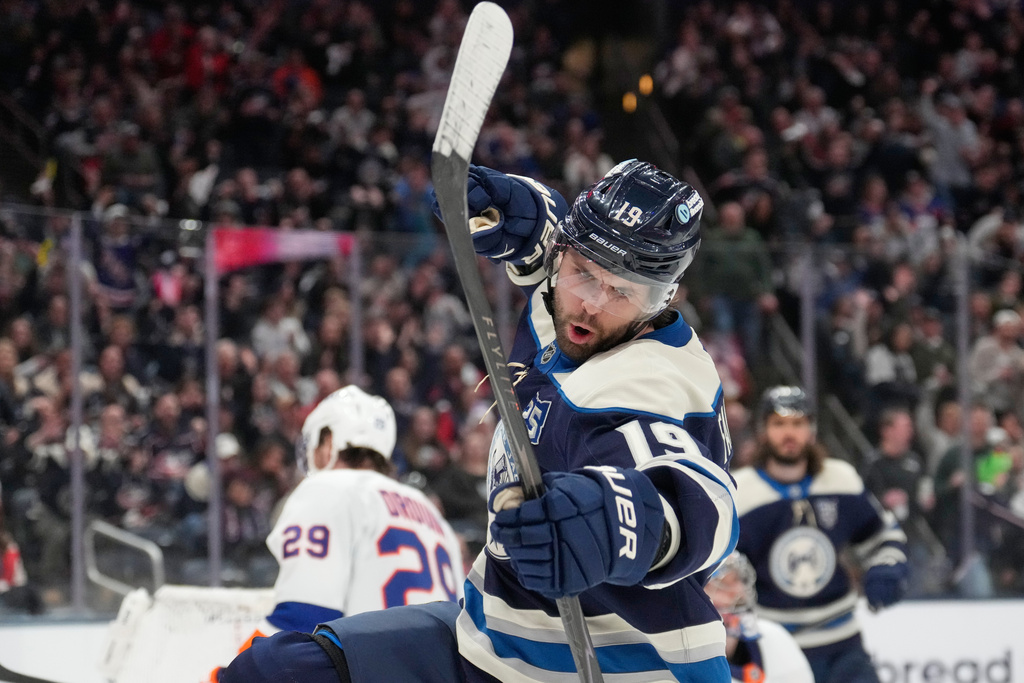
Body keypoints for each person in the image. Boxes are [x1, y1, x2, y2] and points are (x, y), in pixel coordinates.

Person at [220, 160, 738, 682]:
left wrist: (622, 520)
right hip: (492, 637)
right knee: (276, 673)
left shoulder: (655, 383)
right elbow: (553, 245)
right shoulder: (567, 304)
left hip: (621, 669)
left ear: (662, 299)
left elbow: (707, 505)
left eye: (622, 292)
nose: (589, 306)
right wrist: (527, 215)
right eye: (582, 273)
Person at [215, 385, 464, 680]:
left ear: (329, 441)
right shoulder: (431, 513)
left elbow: (301, 618)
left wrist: (232, 670)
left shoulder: (327, 490)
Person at [733, 386, 909, 683]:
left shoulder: (840, 479)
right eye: (779, 424)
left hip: (843, 645)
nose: (789, 433)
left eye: (798, 423)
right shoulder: (739, 493)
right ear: (763, 431)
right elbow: (719, 571)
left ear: (811, 430)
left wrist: (887, 567)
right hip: (775, 646)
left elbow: (883, 538)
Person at [704, 551, 814, 683]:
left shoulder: (774, 636)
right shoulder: (682, 659)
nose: (739, 589)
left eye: (739, 579)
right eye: (724, 584)